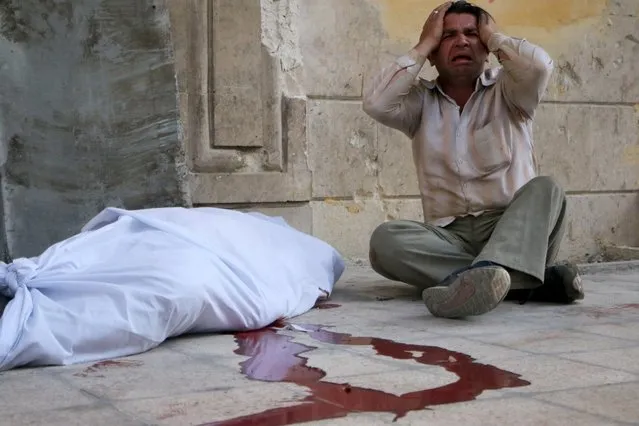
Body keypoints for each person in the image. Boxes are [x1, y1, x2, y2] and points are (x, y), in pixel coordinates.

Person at [362, 0, 584, 319]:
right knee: (384, 242)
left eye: (471, 33)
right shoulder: (419, 104)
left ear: (487, 48)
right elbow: (375, 103)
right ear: (435, 55)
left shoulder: (511, 91)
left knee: (547, 188)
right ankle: (524, 281)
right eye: (448, 35)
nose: (462, 41)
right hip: (449, 237)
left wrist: (494, 35)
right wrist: (423, 43)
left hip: (513, 229)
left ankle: (484, 275)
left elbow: (540, 67)